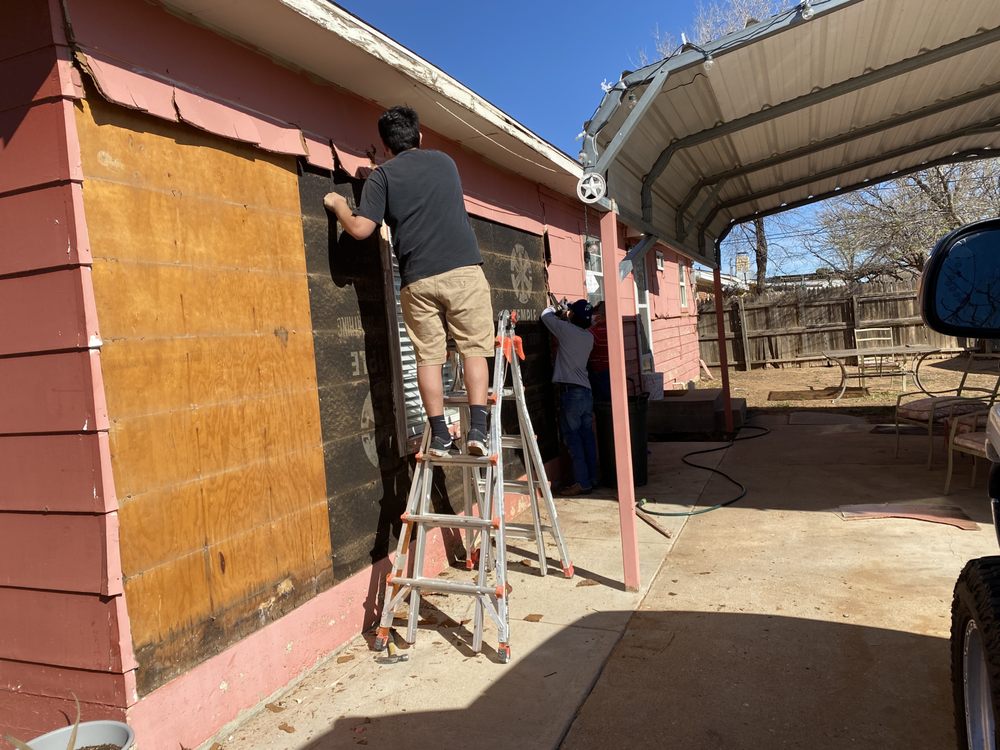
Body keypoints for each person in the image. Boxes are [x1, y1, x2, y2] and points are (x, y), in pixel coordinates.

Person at [324, 106, 494, 457]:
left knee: (429, 359)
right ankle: (477, 430)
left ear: (385, 146)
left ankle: (440, 438)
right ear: (419, 136)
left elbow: (360, 229)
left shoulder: (382, 178)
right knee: (474, 350)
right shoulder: (445, 163)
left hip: (417, 281)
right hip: (463, 271)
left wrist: (339, 204)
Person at [542, 299, 598, 495]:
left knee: (574, 440)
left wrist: (557, 309)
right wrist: (569, 313)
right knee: (587, 438)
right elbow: (582, 322)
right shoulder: (588, 337)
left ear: (573, 316)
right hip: (586, 393)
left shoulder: (566, 331)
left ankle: (582, 483)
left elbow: (544, 316)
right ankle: (592, 479)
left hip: (572, 394)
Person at [587, 301, 611, 401]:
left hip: (600, 373)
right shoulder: (613, 329)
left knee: (601, 404)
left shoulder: (594, 332)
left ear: (601, 315)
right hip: (612, 371)